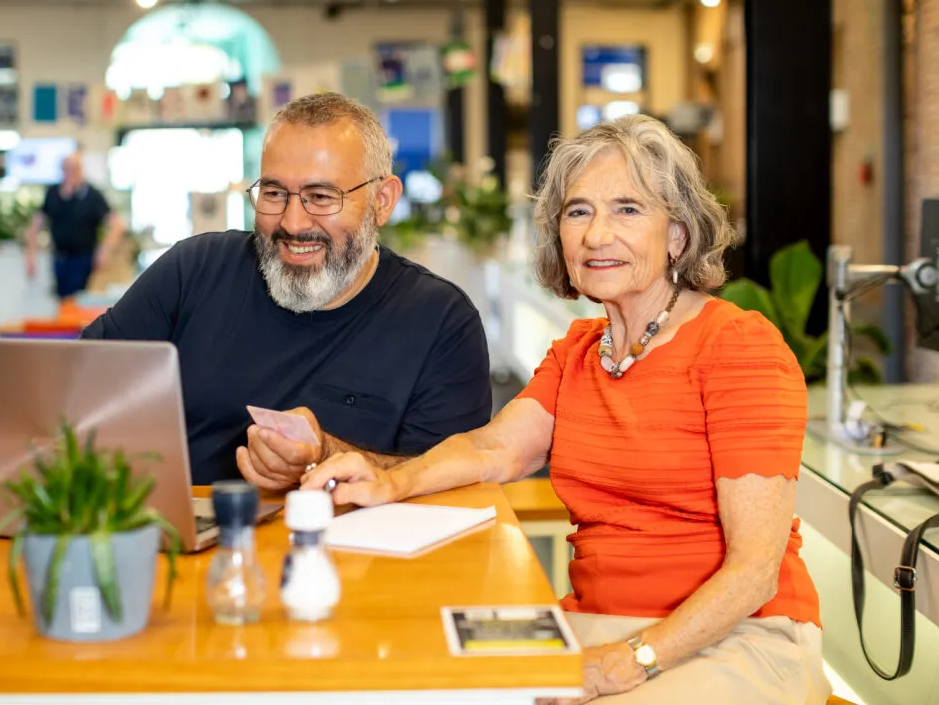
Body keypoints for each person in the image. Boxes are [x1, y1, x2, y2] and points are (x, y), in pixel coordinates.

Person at [302, 115, 831, 705]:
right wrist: (388, 482)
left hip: (735, 640)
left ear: (677, 235)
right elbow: (493, 448)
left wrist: (629, 663)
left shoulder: (739, 348)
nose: (597, 234)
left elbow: (754, 572)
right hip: (597, 624)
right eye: (578, 211)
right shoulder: (580, 350)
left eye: (628, 209)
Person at [81, 92, 491, 485]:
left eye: (321, 196)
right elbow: (76, 389)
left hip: (357, 554)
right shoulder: (194, 271)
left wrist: (328, 454)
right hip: (181, 548)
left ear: (382, 201)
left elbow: (453, 482)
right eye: (274, 193)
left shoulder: (440, 322)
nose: (293, 223)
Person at [25, 152, 125, 299]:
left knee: (76, 297)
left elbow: (117, 225)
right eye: (67, 168)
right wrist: (30, 256)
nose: (70, 172)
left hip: (82, 257)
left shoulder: (92, 195)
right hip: (59, 257)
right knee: (62, 297)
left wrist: (104, 250)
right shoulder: (53, 193)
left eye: (74, 168)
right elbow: (35, 225)